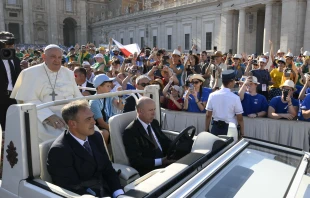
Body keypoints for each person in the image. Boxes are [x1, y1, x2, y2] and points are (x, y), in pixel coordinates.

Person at [47, 100, 124, 197]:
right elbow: (71, 187)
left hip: (107, 190)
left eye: (92, 117)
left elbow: (107, 168)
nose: (94, 121)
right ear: (72, 124)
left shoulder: (96, 136)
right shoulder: (60, 151)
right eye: (88, 119)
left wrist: (118, 193)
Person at [11, 44, 82, 142]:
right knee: (62, 139)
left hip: (70, 116)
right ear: (44, 57)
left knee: (94, 133)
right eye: (53, 57)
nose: (57, 60)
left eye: (59, 57)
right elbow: (28, 99)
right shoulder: (30, 73)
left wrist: (84, 112)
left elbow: (77, 96)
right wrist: (49, 116)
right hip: (43, 117)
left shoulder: (68, 73)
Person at [123, 97, 174, 176]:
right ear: (140, 111)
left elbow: (164, 140)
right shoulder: (130, 132)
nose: (154, 113)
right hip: (151, 171)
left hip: (166, 161)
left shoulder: (154, 123)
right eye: (150, 110)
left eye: (154, 109)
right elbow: (136, 161)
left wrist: (176, 147)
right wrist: (161, 161)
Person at [205, 70, 244, 137]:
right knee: (231, 147)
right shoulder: (235, 98)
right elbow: (240, 118)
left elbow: (208, 115)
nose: (235, 82)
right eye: (234, 81)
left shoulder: (212, 95)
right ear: (230, 83)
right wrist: (242, 133)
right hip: (230, 130)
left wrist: (206, 129)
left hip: (216, 128)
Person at [89, 74, 123, 144]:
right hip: (101, 127)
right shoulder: (94, 102)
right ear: (99, 87)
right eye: (108, 86)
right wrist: (115, 130)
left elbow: (120, 107)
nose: (110, 89)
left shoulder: (109, 95)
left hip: (110, 124)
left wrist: (120, 95)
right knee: (105, 133)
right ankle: (105, 153)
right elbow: (101, 123)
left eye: (110, 86)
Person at [0, 31, 21, 131]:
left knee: (14, 126)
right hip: (1, 98)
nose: (10, 46)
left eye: (11, 44)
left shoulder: (16, 60)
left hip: (14, 97)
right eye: (7, 44)